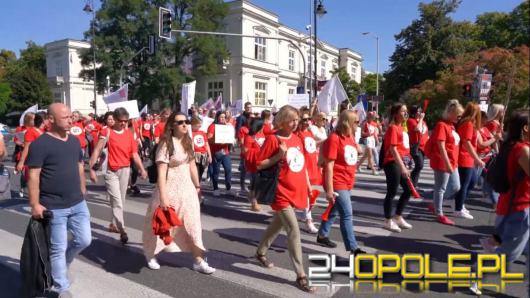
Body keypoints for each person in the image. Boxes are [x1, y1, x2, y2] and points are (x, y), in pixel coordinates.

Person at [26, 103, 91, 297]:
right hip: (54, 206)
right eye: (65, 117)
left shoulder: (73, 141)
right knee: (57, 248)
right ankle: (61, 287)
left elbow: (79, 165)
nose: (70, 120)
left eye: (71, 116)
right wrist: (34, 204)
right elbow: (33, 176)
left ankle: (64, 264)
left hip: (78, 202)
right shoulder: (40, 144)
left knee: (84, 240)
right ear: (51, 120)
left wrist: (82, 186)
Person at [142, 112, 216, 274]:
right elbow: (161, 174)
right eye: (180, 122)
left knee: (193, 224)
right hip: (169, 189)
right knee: (162, 225)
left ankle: (198, 261)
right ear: (172, 126)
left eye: (186, 121)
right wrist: (163, 197)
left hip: (187, 189)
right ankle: (150, 253)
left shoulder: (187, 141)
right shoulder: (166, 145)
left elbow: (192, 166)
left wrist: (198, 186)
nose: (184, 124)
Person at [254, 105, 315, 293]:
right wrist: (278, 156)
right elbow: (259, 164)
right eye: (292, 120)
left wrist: (307, 184)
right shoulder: (273, 139)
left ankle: (260, 252)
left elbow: (301, 164)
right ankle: (301, 275)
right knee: (293, 229)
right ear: (281, 121)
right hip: (280, 191)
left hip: (296, 189)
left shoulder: (297, 138)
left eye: (297, 119)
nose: (296, 123)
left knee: (278, 224)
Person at [89, 108, 147, 244]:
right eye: (120, 121)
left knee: (121, 201)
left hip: (125, 171)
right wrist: (92, 169)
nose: (123, 123)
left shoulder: (129, 135)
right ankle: (123, 230)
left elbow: (134, 154)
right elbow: (97, 150)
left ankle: (113, 223)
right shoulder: (107, 132)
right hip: (111, 172)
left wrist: (142, 169)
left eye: (125, 121)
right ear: (114, 120)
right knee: (117, 202)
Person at [316, 110, 366, 255]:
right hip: (337, 181)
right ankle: (353, 248)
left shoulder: (350, 136)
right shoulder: (334, 138)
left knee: (335, 209)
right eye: (356, 121)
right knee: (347, 214)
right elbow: (329, 166)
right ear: (348, 122)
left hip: (348, 180)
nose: (359, 123)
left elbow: (357, 152)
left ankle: (322, 235)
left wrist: (358, 148)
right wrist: (330, 190)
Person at [482, 110, 529, 263]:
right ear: (526, 128)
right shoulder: (522, 150)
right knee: (509, 253)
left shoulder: (511, 145)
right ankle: (475, 275)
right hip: (518, 208)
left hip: (511, 205)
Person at [428, 100, 464, 225]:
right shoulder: (442, 125)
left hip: (452, 162)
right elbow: (441, 146)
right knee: (441, 188)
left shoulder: (451, 126)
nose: (460, 117)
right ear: (451, 113)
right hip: (443, 162)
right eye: (458, 114)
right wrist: (448, 163)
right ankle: (439, 213)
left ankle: (435, 203)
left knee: (456, 186)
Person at [381, 103, 413, 233]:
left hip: (402, 163)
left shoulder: (402, 128)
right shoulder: (393, 128)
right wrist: (402, 167)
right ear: (395, 114)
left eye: (406, 111)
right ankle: (388, 221)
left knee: (408, 190)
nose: (406, 114)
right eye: (403, 111)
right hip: (392, 163)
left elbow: (404, 149)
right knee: (392, 192)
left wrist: (408, 165)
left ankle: (398, 216)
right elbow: (393, 150)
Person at [454, 103, 485, 220]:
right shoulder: (468, 124)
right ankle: (458, 208)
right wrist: (477, 159)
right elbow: (467, 143)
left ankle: (459, 203)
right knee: (465, 184)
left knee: (471, 182)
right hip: (465, 157)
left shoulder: (468, 124)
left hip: (468, 157)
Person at [295, 109, 321, 233]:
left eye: (308, 119)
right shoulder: (298, 135)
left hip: (313, 166)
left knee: (310, 196)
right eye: (304, 119)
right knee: (307, 195)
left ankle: (300, 214)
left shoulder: (309, 133)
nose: (307, 122)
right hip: (303, 168)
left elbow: (313, 146)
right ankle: (308, 220)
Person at [207, 111, 233, 196]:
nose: (222, 119)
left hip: (225, 152)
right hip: (216, 152)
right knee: (216, 171)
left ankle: (228, 187)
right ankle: (215, 188)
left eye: (224, 117)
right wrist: (217, 140)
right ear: (217, 117)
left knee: (228, 169)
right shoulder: (212, 126)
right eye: (221, 117)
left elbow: (231, 137)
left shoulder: (227, 126)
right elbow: (208, 139)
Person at [242, 118, 265, 211]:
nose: (264, 127)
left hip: (262, 161)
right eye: (262, 125)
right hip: (253, 163)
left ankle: (253, 199)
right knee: (256, 182)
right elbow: (245, 151)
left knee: (259, 183)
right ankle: (254, 202)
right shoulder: (249, 137)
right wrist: (256, 152)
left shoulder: (262, 134)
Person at [407, 106, 429, 188]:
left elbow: (425, 134)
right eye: (418, 111)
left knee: (419, 167)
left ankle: (414, 185)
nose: (420, 113)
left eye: (421, 111)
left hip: (424, 147)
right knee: (420, 165)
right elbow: (417, 129)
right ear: (414, 113)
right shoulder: (411, 121)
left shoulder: (423, 122)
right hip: (416, 147)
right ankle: (409, 179)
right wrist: (421, 119)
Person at [191, 116, 212, 182]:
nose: (199, 127)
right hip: (195, 154)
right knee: (195, 171)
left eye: (200, 125)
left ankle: (198, 184)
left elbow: (206, 144)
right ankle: (196, 186)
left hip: (203, 154)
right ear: (193, 125)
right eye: (198, 125)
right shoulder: (190, 133)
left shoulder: (202, 133)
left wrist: (210, 155)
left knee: (201, 170)